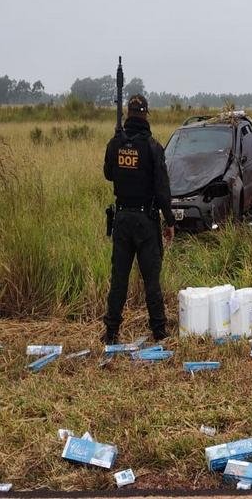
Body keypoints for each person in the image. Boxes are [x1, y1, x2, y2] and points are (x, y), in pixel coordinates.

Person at [102, 94, 175, 344]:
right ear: (146, 115)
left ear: (128, 114)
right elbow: (162, 189)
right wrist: (170, 221)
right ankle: (160, 333)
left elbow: (108, 174)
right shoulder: (153, 147)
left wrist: (116, 141)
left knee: (119, 280)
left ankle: (111, 333)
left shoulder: (115, 144)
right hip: (146, 221)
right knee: (151, 281)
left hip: (122, 219)